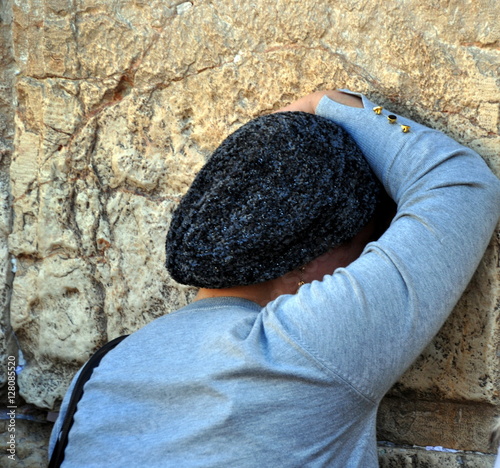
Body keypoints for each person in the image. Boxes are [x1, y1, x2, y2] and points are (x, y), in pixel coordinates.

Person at [49, 89, 500, 467]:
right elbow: (457, 183)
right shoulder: (301, 346)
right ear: (307, 260)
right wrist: (320, 101)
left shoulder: (100, 371)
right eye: (367, 245)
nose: (368, 263)